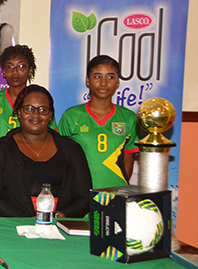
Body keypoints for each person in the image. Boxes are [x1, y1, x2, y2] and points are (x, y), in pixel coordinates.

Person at [0, 85, 92, 218]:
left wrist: (59, 216)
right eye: (29, 109)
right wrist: (26, 219)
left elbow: (84, 197)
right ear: (19, 112)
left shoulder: (71, 149)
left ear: (50, 115)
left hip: (59, 226)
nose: (36, 115)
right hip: (13, 227)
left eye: (43, 110)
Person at [59, 55, 139, 189]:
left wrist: (118, 188)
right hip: (80, 194)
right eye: (97, 76)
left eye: (110, 77)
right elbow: (61, 158)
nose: (103, 83)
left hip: (115, 194)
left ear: (118, 82)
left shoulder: (129, 118)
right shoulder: (71, 116)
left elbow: (128, 159)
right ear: (87, 80)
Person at [0, 45, 57, 143]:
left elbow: (52, 137)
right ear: (4, 71)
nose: (15, 71)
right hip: (0, 156)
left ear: (30, 70)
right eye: (9, 67)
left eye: (21, 66)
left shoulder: (40, 100)